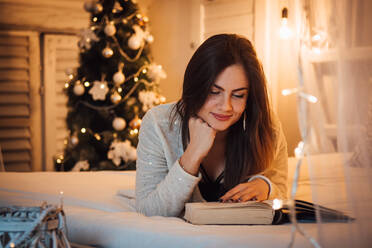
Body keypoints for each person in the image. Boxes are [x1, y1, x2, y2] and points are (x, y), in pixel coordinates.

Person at [135, 34, 288, 217]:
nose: (226, 107)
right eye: (214, 92)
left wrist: (265, 186)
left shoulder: (265, 124)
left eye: (238, 95)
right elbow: (149, 210)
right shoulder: (158, 123)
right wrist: (192, 155)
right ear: (196, 88)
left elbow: (282, 187)